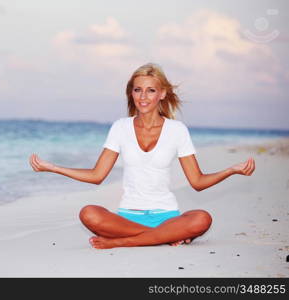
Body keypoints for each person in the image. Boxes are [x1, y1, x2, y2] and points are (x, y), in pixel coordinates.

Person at [29, 63, 255, 249]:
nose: (143, 97)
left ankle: (123, 242)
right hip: (127, 218)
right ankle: (162, 237)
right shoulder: (120, 127)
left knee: (202, 217)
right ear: (131, 93)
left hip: (168, 216)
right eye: (138, 90)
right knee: (89, 213)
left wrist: (230, 170)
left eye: (151, 90)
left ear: (163, 94)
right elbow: (97, 175)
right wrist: (54, 168)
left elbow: (197, 182)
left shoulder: (177, 130)